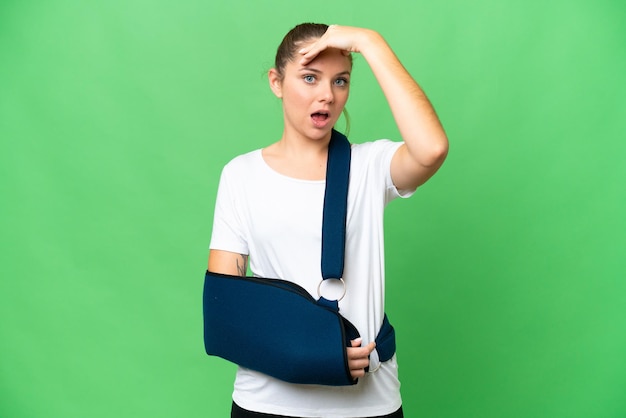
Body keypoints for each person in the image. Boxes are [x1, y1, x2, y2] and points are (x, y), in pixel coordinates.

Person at [207, 23, 448, 418]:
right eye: (309, 77)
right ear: (276, 81)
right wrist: (316, 355)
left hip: (368, 406)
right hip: (267, 405)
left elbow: (432, 149)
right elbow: (227, 313)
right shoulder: (240, 175)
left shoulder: (370, 167)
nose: (327, 95)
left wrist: (370, 43)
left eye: (341, 81)